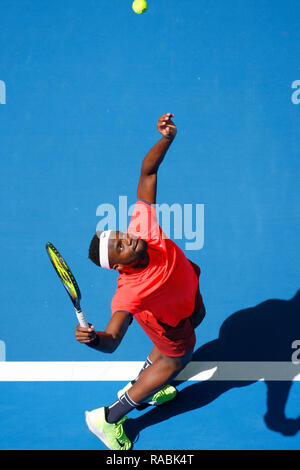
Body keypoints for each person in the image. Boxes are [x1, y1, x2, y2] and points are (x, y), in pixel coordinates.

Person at [75, 113, 206, 450]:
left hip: (188, 286)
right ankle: (109, 416)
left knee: (199, 317)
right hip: (169, 321)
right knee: (178, 357)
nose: (127, 239)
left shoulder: (142, 225)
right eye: (120, 246)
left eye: (120, 235)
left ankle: (147, 373)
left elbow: (147, 171)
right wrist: (94, 339)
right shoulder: (130, 292)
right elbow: (113, 339)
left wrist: (166, 138)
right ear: (117, 266)